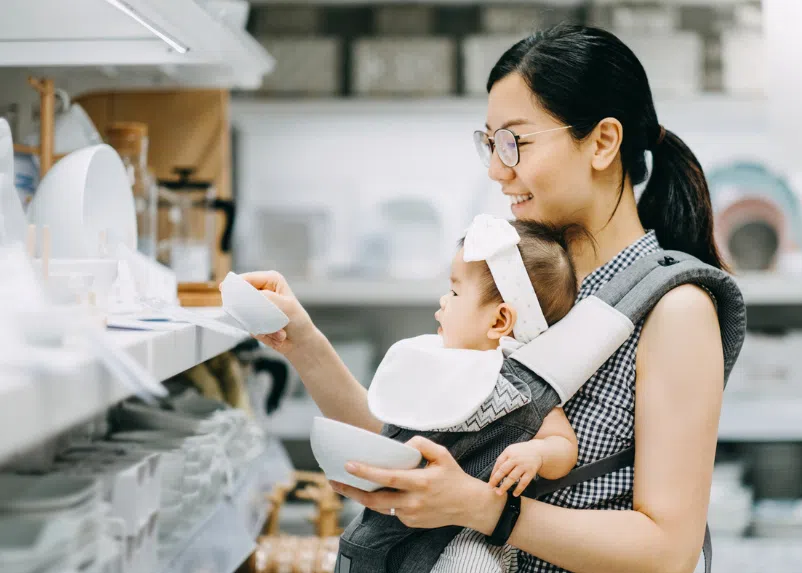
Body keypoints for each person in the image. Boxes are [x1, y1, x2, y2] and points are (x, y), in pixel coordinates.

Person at [237, 23, 727, 573]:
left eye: (515, 141)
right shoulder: (517, 281)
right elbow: (413, 439)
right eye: (490, 143)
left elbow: (668, 551)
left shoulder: (676, 307)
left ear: (603, 142)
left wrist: (482, 509)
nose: (497, 169)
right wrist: (300, 340)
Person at [327, 215, 582, 573]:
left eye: (456, 292)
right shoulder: (435, 361)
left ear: (498, 321)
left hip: (470, 533)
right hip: (402, 524)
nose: (444, 301)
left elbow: (564, 444)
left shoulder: (521, 383)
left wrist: (537, 452)